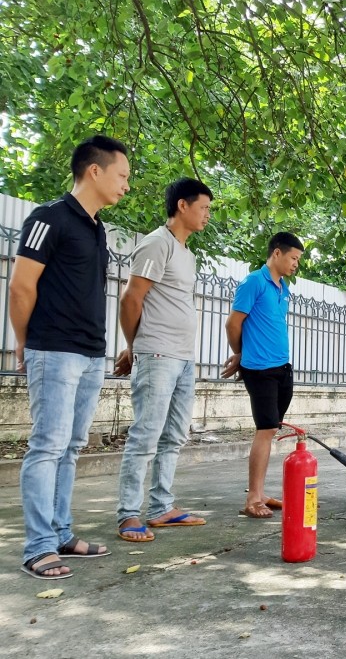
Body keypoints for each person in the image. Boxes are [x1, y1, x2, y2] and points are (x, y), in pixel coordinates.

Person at [10, 135, 130, 579]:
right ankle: (38, 546)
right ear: (94, 171)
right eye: (122, 176)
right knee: (47, 447)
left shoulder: (96, 228)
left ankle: (60, 533)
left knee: (71, 447)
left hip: (89, 354)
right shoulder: (49, 218)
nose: (126, 185)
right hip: (53, 349)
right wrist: (26, 340)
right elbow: (21, 286)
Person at [113, 178, 213, 542]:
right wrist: (134, 346)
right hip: (157, 353)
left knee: (173, 436)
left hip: (183, 358)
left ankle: (160, 508)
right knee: (146, 436)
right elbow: (131, 299)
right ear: (182, 206)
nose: (207, 215)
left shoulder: (186, 253)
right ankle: (128, 515)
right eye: (203, 207)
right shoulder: (157, 244)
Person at [222, 232, 304, 519]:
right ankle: (253, 498)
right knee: (265, 429)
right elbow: (233, 323)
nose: (296, 264)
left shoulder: (283, 289)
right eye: (293, 258)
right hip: (259, 369)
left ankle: (261, 492)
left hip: (282, 368)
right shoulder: (254, 282)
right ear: (277, 253)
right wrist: (242, 353)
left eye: (298, 260)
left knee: (271, 430)